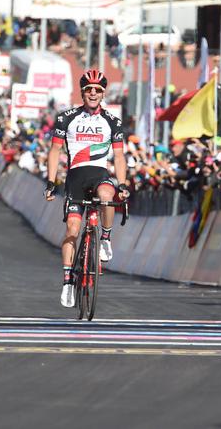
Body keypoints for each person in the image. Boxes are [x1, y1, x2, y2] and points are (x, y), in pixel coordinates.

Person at [43, 69, 130, 308]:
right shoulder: (66, 118)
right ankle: (68, 281)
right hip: (75, 179)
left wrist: (122, 184)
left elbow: (120, 156)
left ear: (103, 94)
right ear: (82, 92)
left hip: (100, 174)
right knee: (72, 228)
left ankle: (105, 237)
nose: (93, 93)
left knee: (107, 196)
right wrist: (51, 182)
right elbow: (54, 151)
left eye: (98, 90)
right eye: (89, 89)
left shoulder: (113, 121)